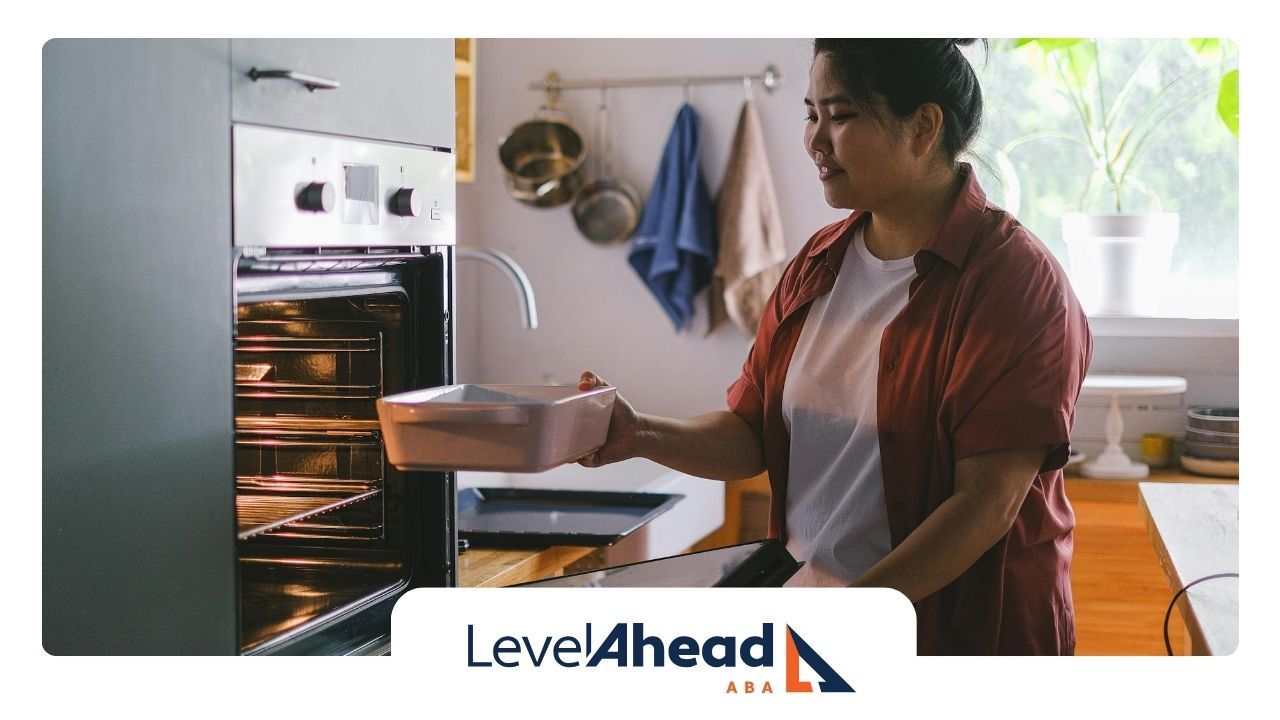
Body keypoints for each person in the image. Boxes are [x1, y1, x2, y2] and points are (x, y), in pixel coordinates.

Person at [576, 39, 1092, 656]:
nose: (814, 140)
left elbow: (986, 504)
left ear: (924, 127)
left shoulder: (1013, 282)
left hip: (955, 640)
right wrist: (639, 434)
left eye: (841, 116)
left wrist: (849, 624)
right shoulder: (815, 265)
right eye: (810, 114)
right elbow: (753, 434)